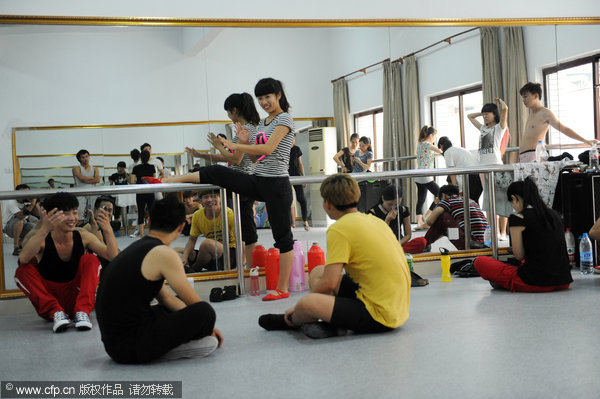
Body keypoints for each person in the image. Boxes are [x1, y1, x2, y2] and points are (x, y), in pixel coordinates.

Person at [163, 78, 295, 301]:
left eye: (268, 97)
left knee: (282, 237)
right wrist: (244, 142)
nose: (264, 102)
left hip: (277, 185)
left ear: (278, 95)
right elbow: (256, 157)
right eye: (260, 98)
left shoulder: (285, 119)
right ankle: (170, 180)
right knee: (217, 171)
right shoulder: (262, 123)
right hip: (258, 180)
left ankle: (282, 288)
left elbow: (270, 148)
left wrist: (237, 144)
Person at [257, 173, 410, 339]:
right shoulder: (374, 220)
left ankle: (292, 320)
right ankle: (334, 323)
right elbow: (327, 279)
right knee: (317, 272)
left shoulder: (339, 229)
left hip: (379, 316)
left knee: (307, 303)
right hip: (398, 307)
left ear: (328, 204)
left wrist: (298, 307)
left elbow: (329, 283)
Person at [95, 195, 222, 363]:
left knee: (176, 304)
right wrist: (207, 325)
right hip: (131, 348)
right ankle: (169, 350)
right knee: (205, 312)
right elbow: (195, 303)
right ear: (181, 227)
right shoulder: (165, 253)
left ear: (149, 221)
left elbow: (167, 298)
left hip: (115, 345)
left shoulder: (139, 247)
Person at [14, 192, 118, 333]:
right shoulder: (41, 237)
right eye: (65, 214)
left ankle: (82, 312)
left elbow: (112, 257)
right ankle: (56, 312)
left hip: (76, 299)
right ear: (51, 215)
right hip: (50, 302)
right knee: (22, 270)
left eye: (74, 213)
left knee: (91, 260)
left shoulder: (83, 236)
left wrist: (107, 230)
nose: (72, 218)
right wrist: (44, 228)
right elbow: (23, 259)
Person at [186, 92, 261, 267]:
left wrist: (219, 145)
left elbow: (236, 160)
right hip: (237, 183)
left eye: (228, 112)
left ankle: (250, 268)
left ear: (235, 110)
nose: (228, 115)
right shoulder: (242, 129)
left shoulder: (247, 129)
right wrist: (201, 154)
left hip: (242, 183)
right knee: (240, 228)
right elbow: (228, 157)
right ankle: (243, 265)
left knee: (246, 230)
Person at [474, 177, 573, 292]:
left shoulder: (518, 218)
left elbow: (519, 255)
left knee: (480, 261)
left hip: (534, 282)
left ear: (514, 198)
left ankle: (505, 282)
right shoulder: (554, 215)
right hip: (564, 281)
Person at [519, 82, 597, 163]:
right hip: (523, 156)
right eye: (523, 97)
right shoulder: (531, 113)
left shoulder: (545, 113)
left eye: (525, 96)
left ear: (535, 96)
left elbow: (563, 129)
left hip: (534, 156)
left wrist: (586, 141)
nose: (523, 100)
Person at [467, 98, 509, 241]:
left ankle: (503, 232)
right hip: (482, 168)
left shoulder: (499, 128)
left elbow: (505, 110)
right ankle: (493, 231)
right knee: (489, 201)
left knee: (501, 200)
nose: (485, 116)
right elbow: (469, 116)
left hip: (496, 166)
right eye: (484, 113)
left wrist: (500, 104)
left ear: (494, 114)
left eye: (488, 113)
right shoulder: (483, 128)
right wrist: (482, 113)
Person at [179, 190, 237, 272]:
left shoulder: (228, 213)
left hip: (229, 255)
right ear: (200, 200)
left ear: (220, 198)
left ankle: (196, 268)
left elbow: (240, 239)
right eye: (206, 197)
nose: (210, 200)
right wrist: (184, 258)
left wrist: (241, 262)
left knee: (207, 244)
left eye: (213, 196)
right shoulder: (197, 215)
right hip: (211, 256)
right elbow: (192, 240)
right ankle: (186, 266)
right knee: (176, 250)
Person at [424, 185, 489, 250]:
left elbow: (429, 221)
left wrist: (438, 204)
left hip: (470, 244)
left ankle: (424, 243)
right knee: (447, 223)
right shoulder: (470, 201)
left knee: (443, 217)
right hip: (486, 242)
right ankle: (425, 243)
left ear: (443, 195)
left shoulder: (447, 201)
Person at [368, 185, 427, 254]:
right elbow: (376, 237)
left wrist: (397, 244)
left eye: (396, 204)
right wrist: (387, 220)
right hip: (381, 243)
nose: (393, 207)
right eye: (389, 204)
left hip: (398, 244)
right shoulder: (372, 212)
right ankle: (392, 252)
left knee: (422, 241)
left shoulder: (403, 210)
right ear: (383, 198)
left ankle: (393, 251)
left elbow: (408, 235)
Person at [437, 136, 483, 204]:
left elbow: (452, 173)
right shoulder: (458, 149)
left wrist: (455, 189)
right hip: (480, 175)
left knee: (469, 204)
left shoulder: (447, 152)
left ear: (441, 145)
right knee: (474, 203)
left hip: (470, 177)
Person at [414, 126, 443, 229]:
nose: (435, 138)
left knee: (421, 199)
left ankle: (420, 223)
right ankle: (427, 216)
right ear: (431, 135)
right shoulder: (427, 144)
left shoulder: (420, 144)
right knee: (440, 195)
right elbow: (440, 151)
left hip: (418, 175)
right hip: (425, 176)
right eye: (435, 136)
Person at [2, 184, 40, 256]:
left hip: (22, 225)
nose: (26, 195)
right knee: (19, 220)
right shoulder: (11, 201)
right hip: (8, 228)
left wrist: (35, 202)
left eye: (27, 193)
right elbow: (20, 215)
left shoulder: (27, 200)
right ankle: (16, 247)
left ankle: (21, 244)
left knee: (35, 225)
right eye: (24, 193)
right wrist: (32, 204)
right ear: (17, 193)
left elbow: (38, 214)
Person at [130, 149, 156, 238]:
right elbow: (154, 180)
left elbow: (132, 181)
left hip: (140, 192)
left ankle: (141, 236)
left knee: (141, 213)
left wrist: (139, 183)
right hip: (150, 192)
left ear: (140, 157)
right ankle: (152, 234)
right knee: (152, 213)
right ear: (149, 158)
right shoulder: (152, 167)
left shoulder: (136, 168)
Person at [72, 149, 100, 224]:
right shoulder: (76, 168)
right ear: (79, 159)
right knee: (80, 214)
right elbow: (81, 178)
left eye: (87, 156)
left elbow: (97, 180)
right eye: (83, 157)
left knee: (92, 215)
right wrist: (92, 178)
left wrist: (86, 180)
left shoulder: (94, 168)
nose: (85, 159)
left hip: (92, 193)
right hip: (80, 193)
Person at [289, 135, 310, 231]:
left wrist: (304, 177)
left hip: (297, 176)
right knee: (287, 200)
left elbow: (300, 164)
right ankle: (289, 223)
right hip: (287, 177)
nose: (292, 140)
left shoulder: (297, 149)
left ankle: (305, 220)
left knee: (302, 199)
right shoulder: (283, 149)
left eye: (293, 138)